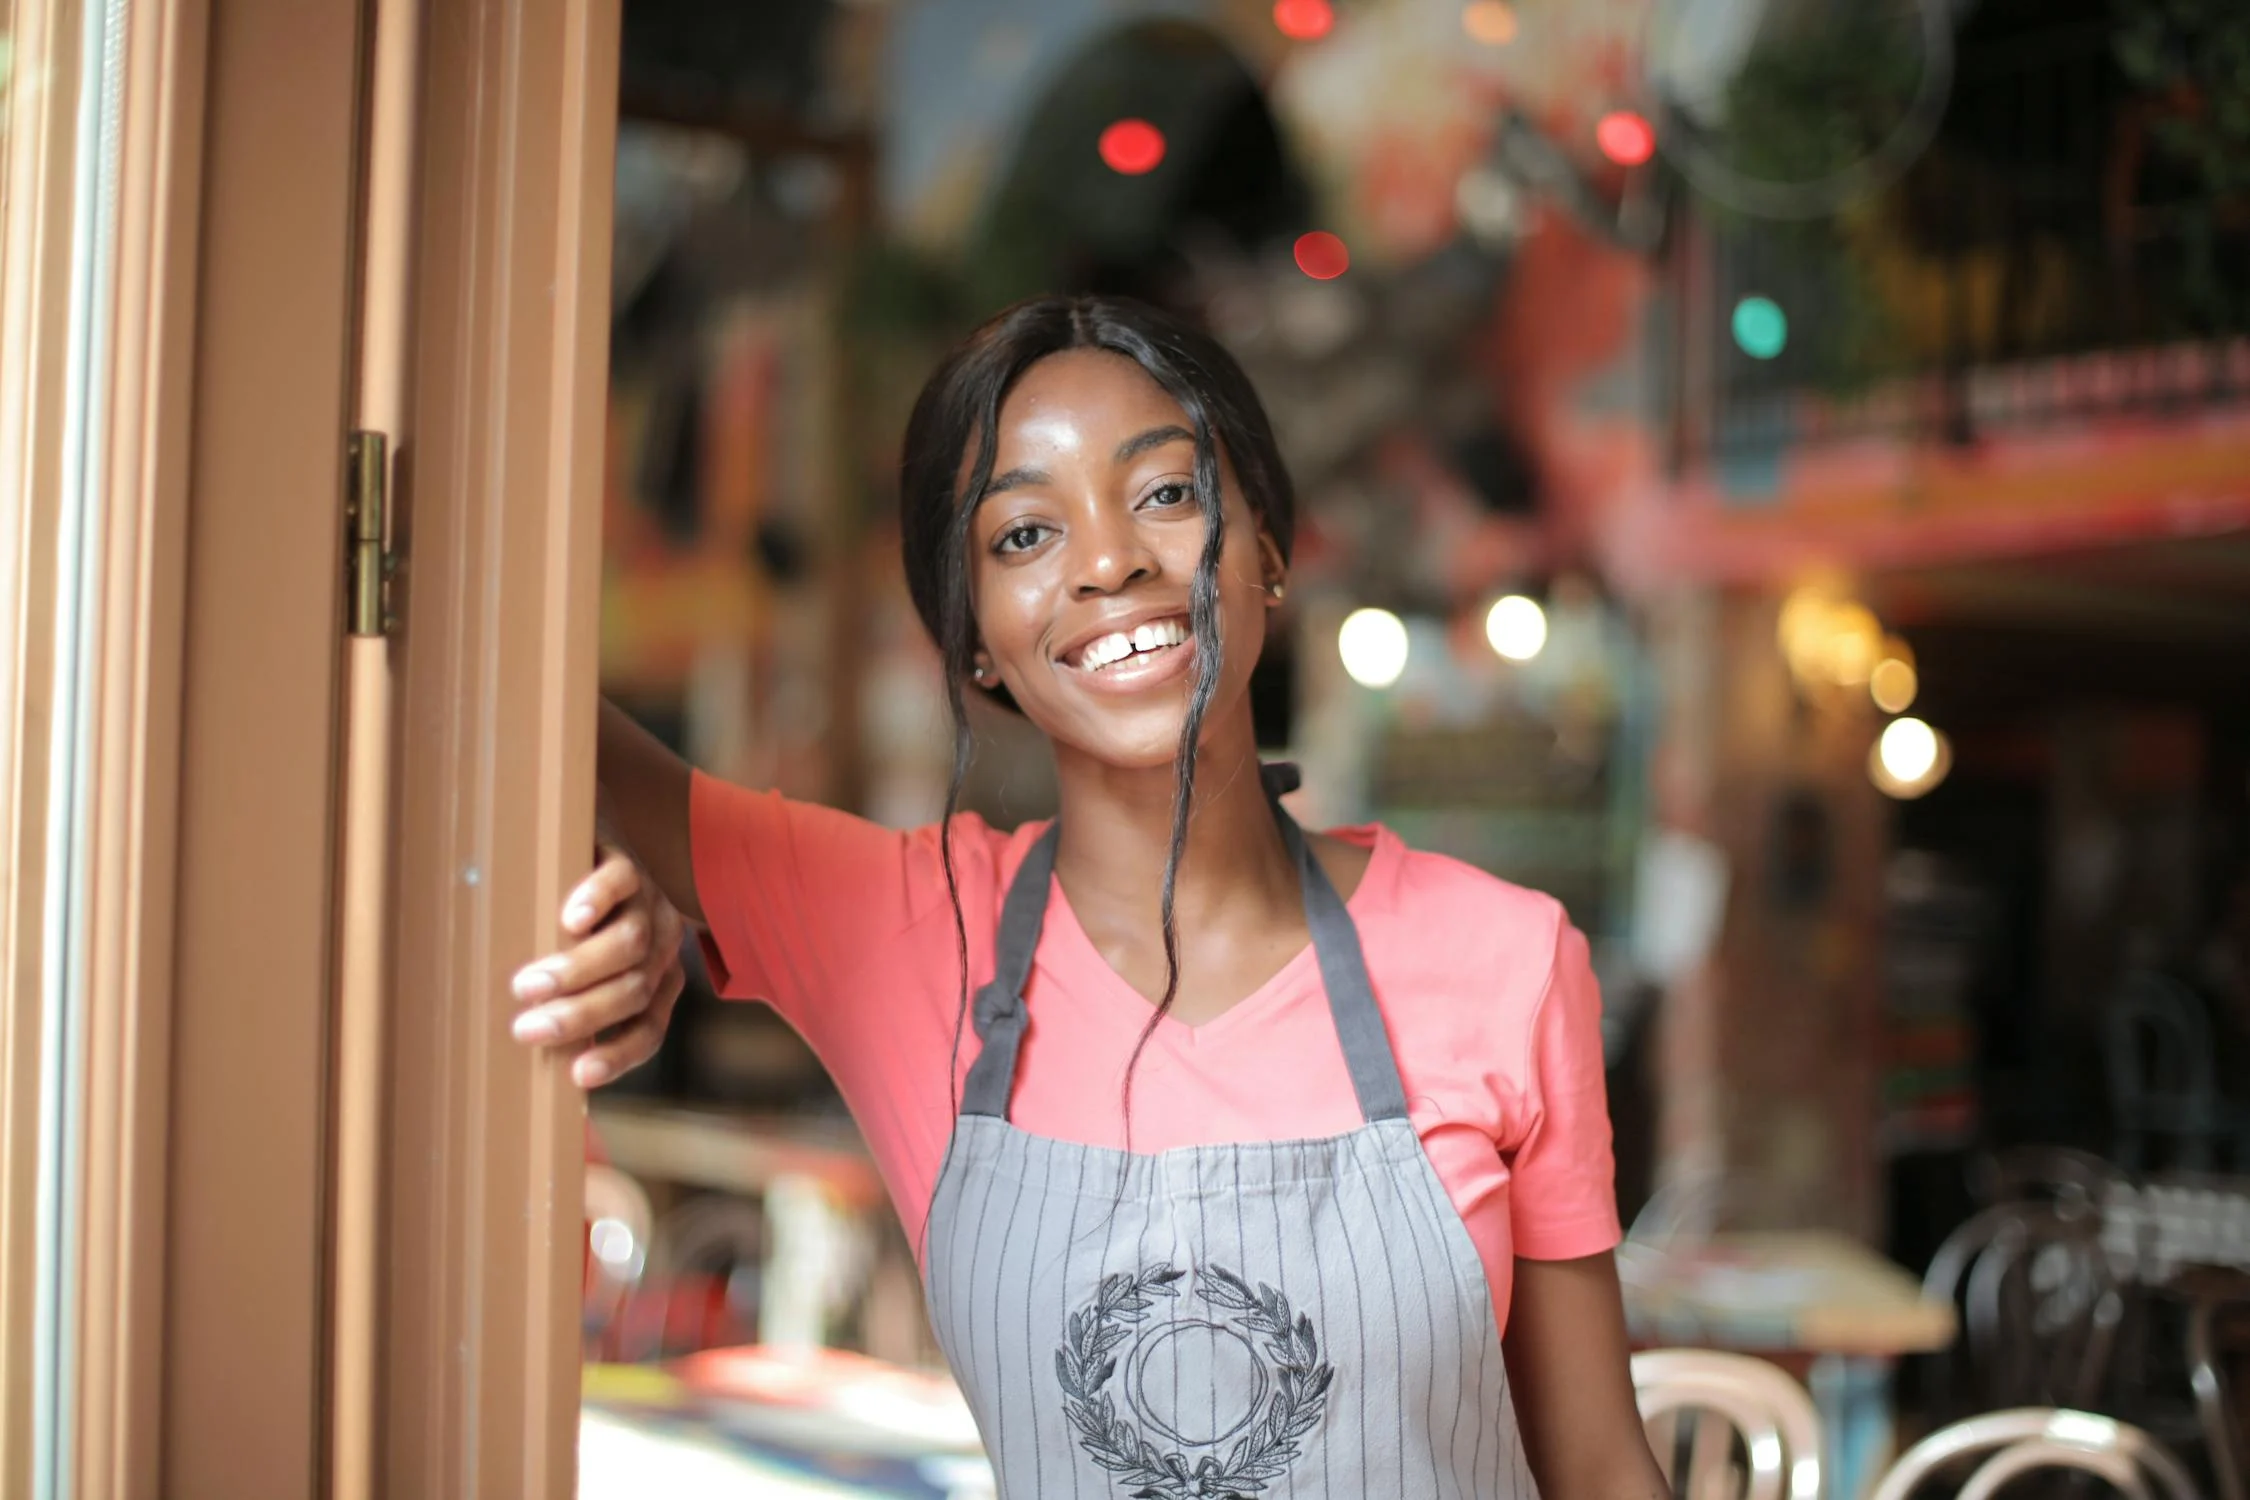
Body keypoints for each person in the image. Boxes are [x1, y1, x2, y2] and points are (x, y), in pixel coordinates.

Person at [513, 295, 1666, 1499]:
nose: (1110, 560)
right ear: (974, 641)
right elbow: (535, 699)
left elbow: (1596, 1465)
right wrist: (619, 880)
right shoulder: (901, 933)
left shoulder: (1505, 958)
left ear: (1268, 548)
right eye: (1024, 535)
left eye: (1166, 494)